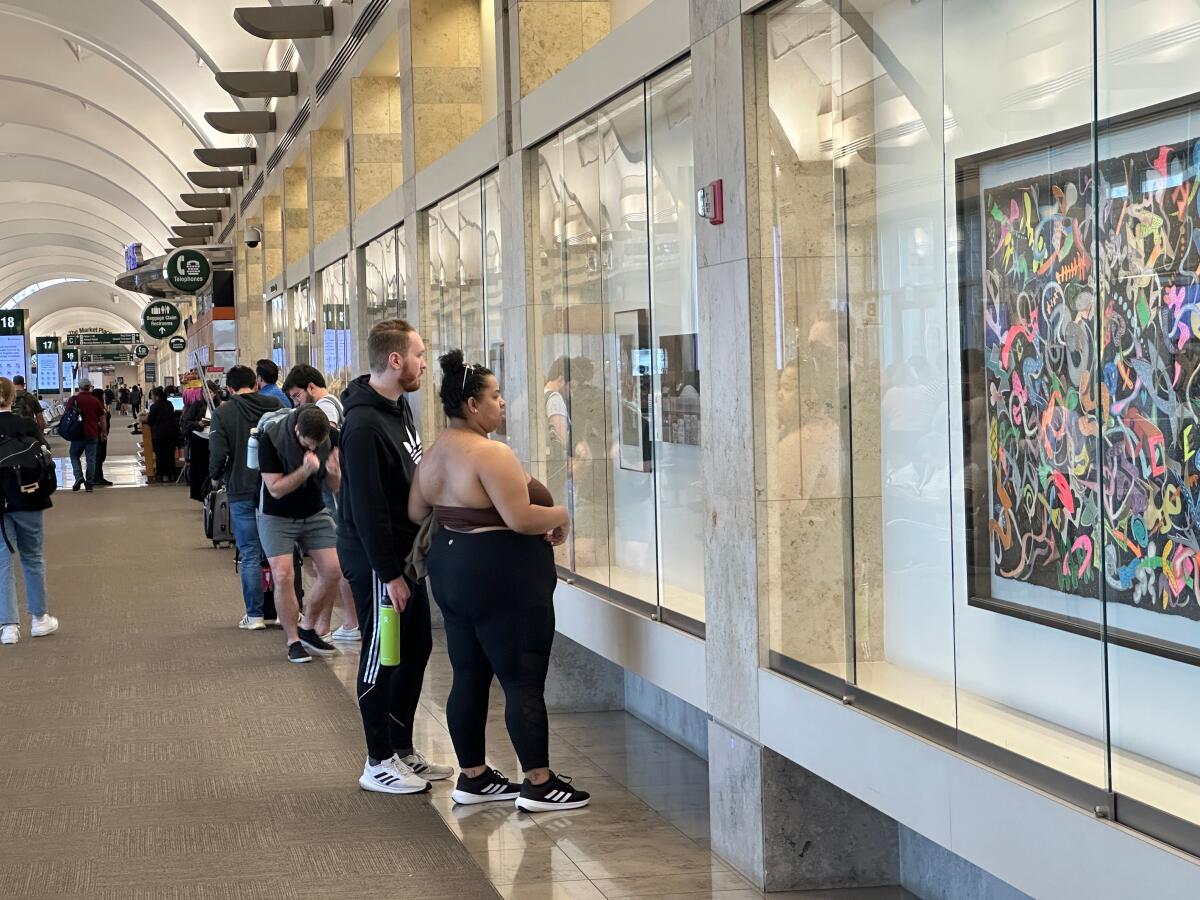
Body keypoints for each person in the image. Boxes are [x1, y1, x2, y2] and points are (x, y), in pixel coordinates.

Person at [409, 351, 588, 812]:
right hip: (500, 575)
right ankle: (539, 783)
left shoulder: (436, 451)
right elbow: (523, 517)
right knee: (522, 679)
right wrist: (563, 513)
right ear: (472, 404)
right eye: (495, 395)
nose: (503, 403)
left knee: (468, 674)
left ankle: (472, 776)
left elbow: (416, 512)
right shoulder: (490, 452)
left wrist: (464, 509)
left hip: (452, 573)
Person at [339, 319, 451, 794]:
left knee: (417, 648)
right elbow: (365, 510)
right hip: (376, 562)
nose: (425, 362)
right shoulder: (363, 425)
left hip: (406, 556)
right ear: (395, 360)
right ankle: (377, 759)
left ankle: (402, 749)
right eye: (420, 354)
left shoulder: (399, 406)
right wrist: (389, 574)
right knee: (381, 654)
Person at [256, 405, 342, 664]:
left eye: (319, 444)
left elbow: (333, 487)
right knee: (283, 574)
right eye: (308, 443)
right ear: (296, 430)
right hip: (276, 514)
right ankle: (293, 640)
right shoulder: (270, 439)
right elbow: (275, 489)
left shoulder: (331, 438)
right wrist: (305, 469)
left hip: (314, 511)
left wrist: (335, 473)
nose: (313, 449)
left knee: (333, 569)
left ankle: (307, 627)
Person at [283, 363, 359, 642]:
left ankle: (339, 624)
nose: (296, 403)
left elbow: (324, 454)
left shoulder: (324, 409)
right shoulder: (334, 404)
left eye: (296, 396)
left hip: (328, 497)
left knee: (334, 565)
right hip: (331, 494)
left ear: (311, 388)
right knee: (330, 566)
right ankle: (328, 625)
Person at [209, 365, 282, 629]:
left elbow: (218, 453)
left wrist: (215, 476)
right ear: (256, 383)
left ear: (229, 388)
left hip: (240, 487)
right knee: (278, 551)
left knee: (250, 552)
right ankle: (284, 610)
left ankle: (255, 615)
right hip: (275, 487)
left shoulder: (223, 412)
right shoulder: (274, 404)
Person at [0, 377, 58, 646]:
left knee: (2, 563)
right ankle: (39, 619)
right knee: (33, 558)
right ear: (13, 398)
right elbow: (45, 459)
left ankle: (9, 626)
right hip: (29, 497)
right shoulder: (26, 425)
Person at [66, 380, 106, 493]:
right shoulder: (95, 400)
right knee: (91, 459)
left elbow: (67, 415)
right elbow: (102, 418)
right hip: (92, 433)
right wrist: (103, 432)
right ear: (89, 387)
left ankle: (78, 476)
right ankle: (89, 484)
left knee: (74, 455)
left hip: (77, 434)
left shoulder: (73, 400)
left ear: (79, 387)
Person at [180, 389, 210, 502]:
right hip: (199, 439)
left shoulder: (218, 405)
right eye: (207, 392)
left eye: (212, 392)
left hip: (212, 438)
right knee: (200, 468)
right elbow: (187, 423)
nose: (210, 395)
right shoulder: (197, 405)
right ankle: (201, 494)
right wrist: (198, 423)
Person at [146, 387, 178, 483]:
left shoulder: (154, 406)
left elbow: (150, 421)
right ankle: (172, 475)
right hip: (171, 433)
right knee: (170, 454)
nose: (151, 397)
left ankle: (162, 475)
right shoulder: (169, 404)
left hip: (159, 434)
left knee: (160, 455)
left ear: (156, 396)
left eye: (152, 395)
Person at [91, 388, 113, 487]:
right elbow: (98, 420)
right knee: (99, 456)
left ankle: (97, 476)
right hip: (99, 434)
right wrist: (103, 432)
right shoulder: (97, 406)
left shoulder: (101, 405)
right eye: (103, 395)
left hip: (102, 433)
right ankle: (97, 477)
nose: (105, 397)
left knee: (100, 456)